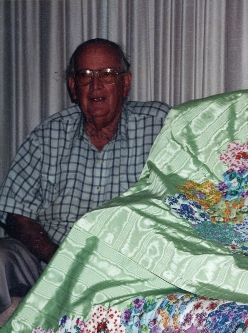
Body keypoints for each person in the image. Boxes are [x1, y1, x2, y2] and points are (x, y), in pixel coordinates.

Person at [0, 38, 170, 314]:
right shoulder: (48, 135)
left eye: (107, 75)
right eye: (85, 76)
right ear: (72, 86)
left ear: (125, 84)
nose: (95, 86)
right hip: (49, 261)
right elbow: (17, 215)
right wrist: (60, 259)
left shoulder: (159, 124)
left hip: (129, 262)